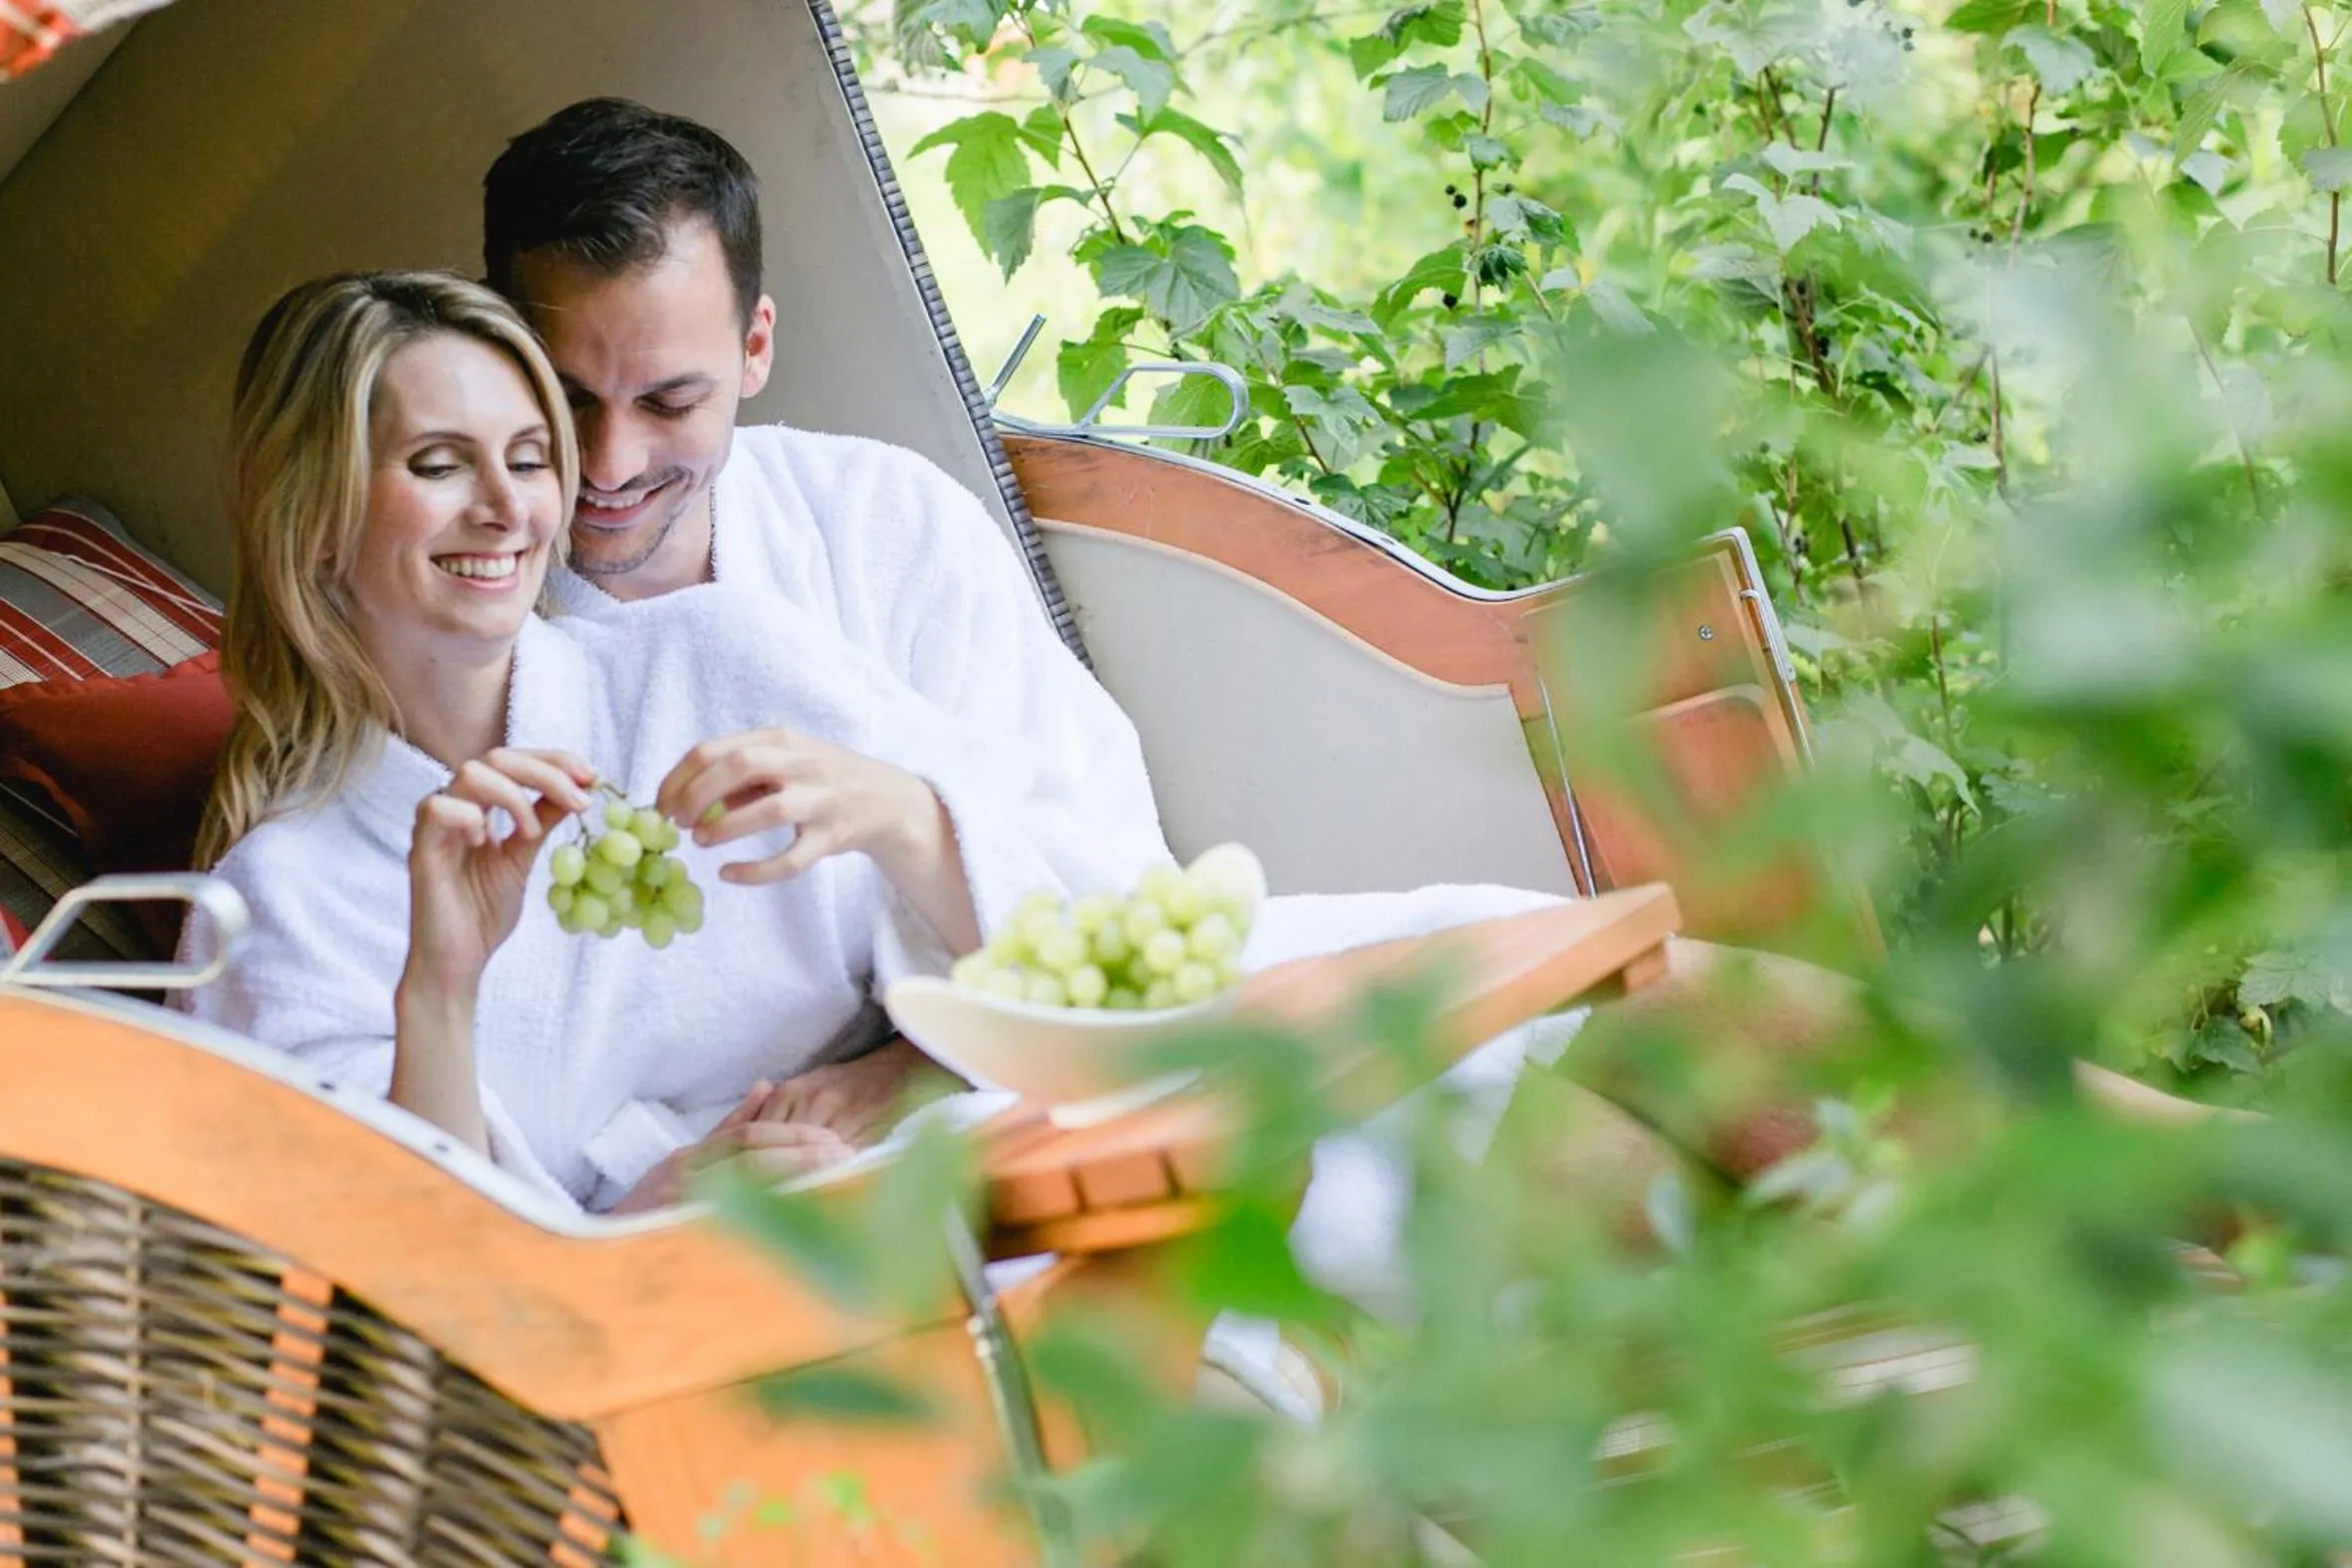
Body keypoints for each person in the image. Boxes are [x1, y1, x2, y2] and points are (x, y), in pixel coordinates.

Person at [179, 271, 1065, 1214]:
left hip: (949, 1185)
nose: (506, 507)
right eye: (439, 465)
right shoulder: (279, 902)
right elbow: (416, 1279)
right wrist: (646, 1207)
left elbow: (1073, 957)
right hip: (643, 1325)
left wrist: (910, 830)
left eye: (527, 459)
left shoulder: (720, 658)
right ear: (316, 516)